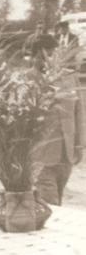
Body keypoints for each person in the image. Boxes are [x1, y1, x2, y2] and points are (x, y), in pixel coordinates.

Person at [31, 35, 84, 205]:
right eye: (46, 52)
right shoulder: (29, 78)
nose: (50, 56)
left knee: (58, 200)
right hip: (41, 154)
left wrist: (79, 144)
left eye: (53, 52)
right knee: (49, 201)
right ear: (35, 55)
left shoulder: (70, 77)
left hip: (66, 152)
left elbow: (79, 112)